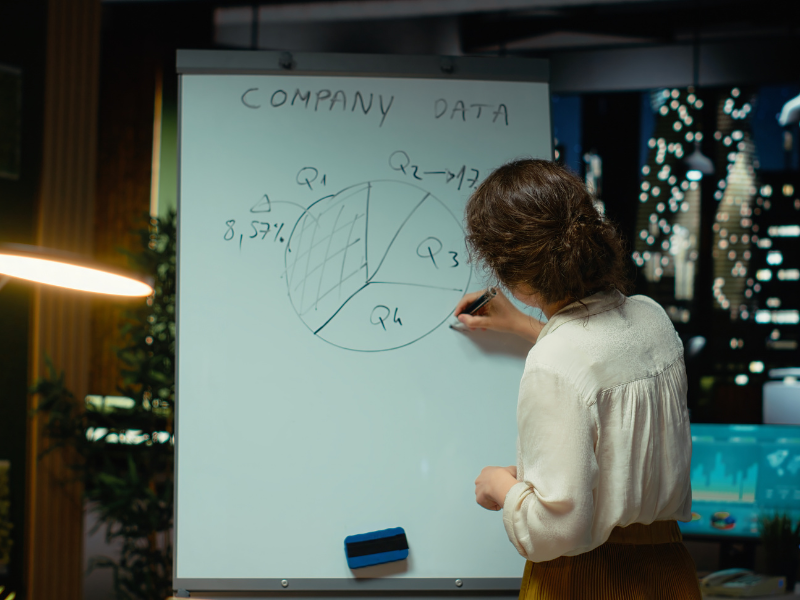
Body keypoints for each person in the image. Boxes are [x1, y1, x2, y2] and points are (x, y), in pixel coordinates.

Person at [454, 159, 701, 599]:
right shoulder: (653, 319)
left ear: (516, 279)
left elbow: (556, 530)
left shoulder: (555, 362)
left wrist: (502, 486)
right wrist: (522, 325)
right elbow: (602, 365)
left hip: (585, 580)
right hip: (671, 574)